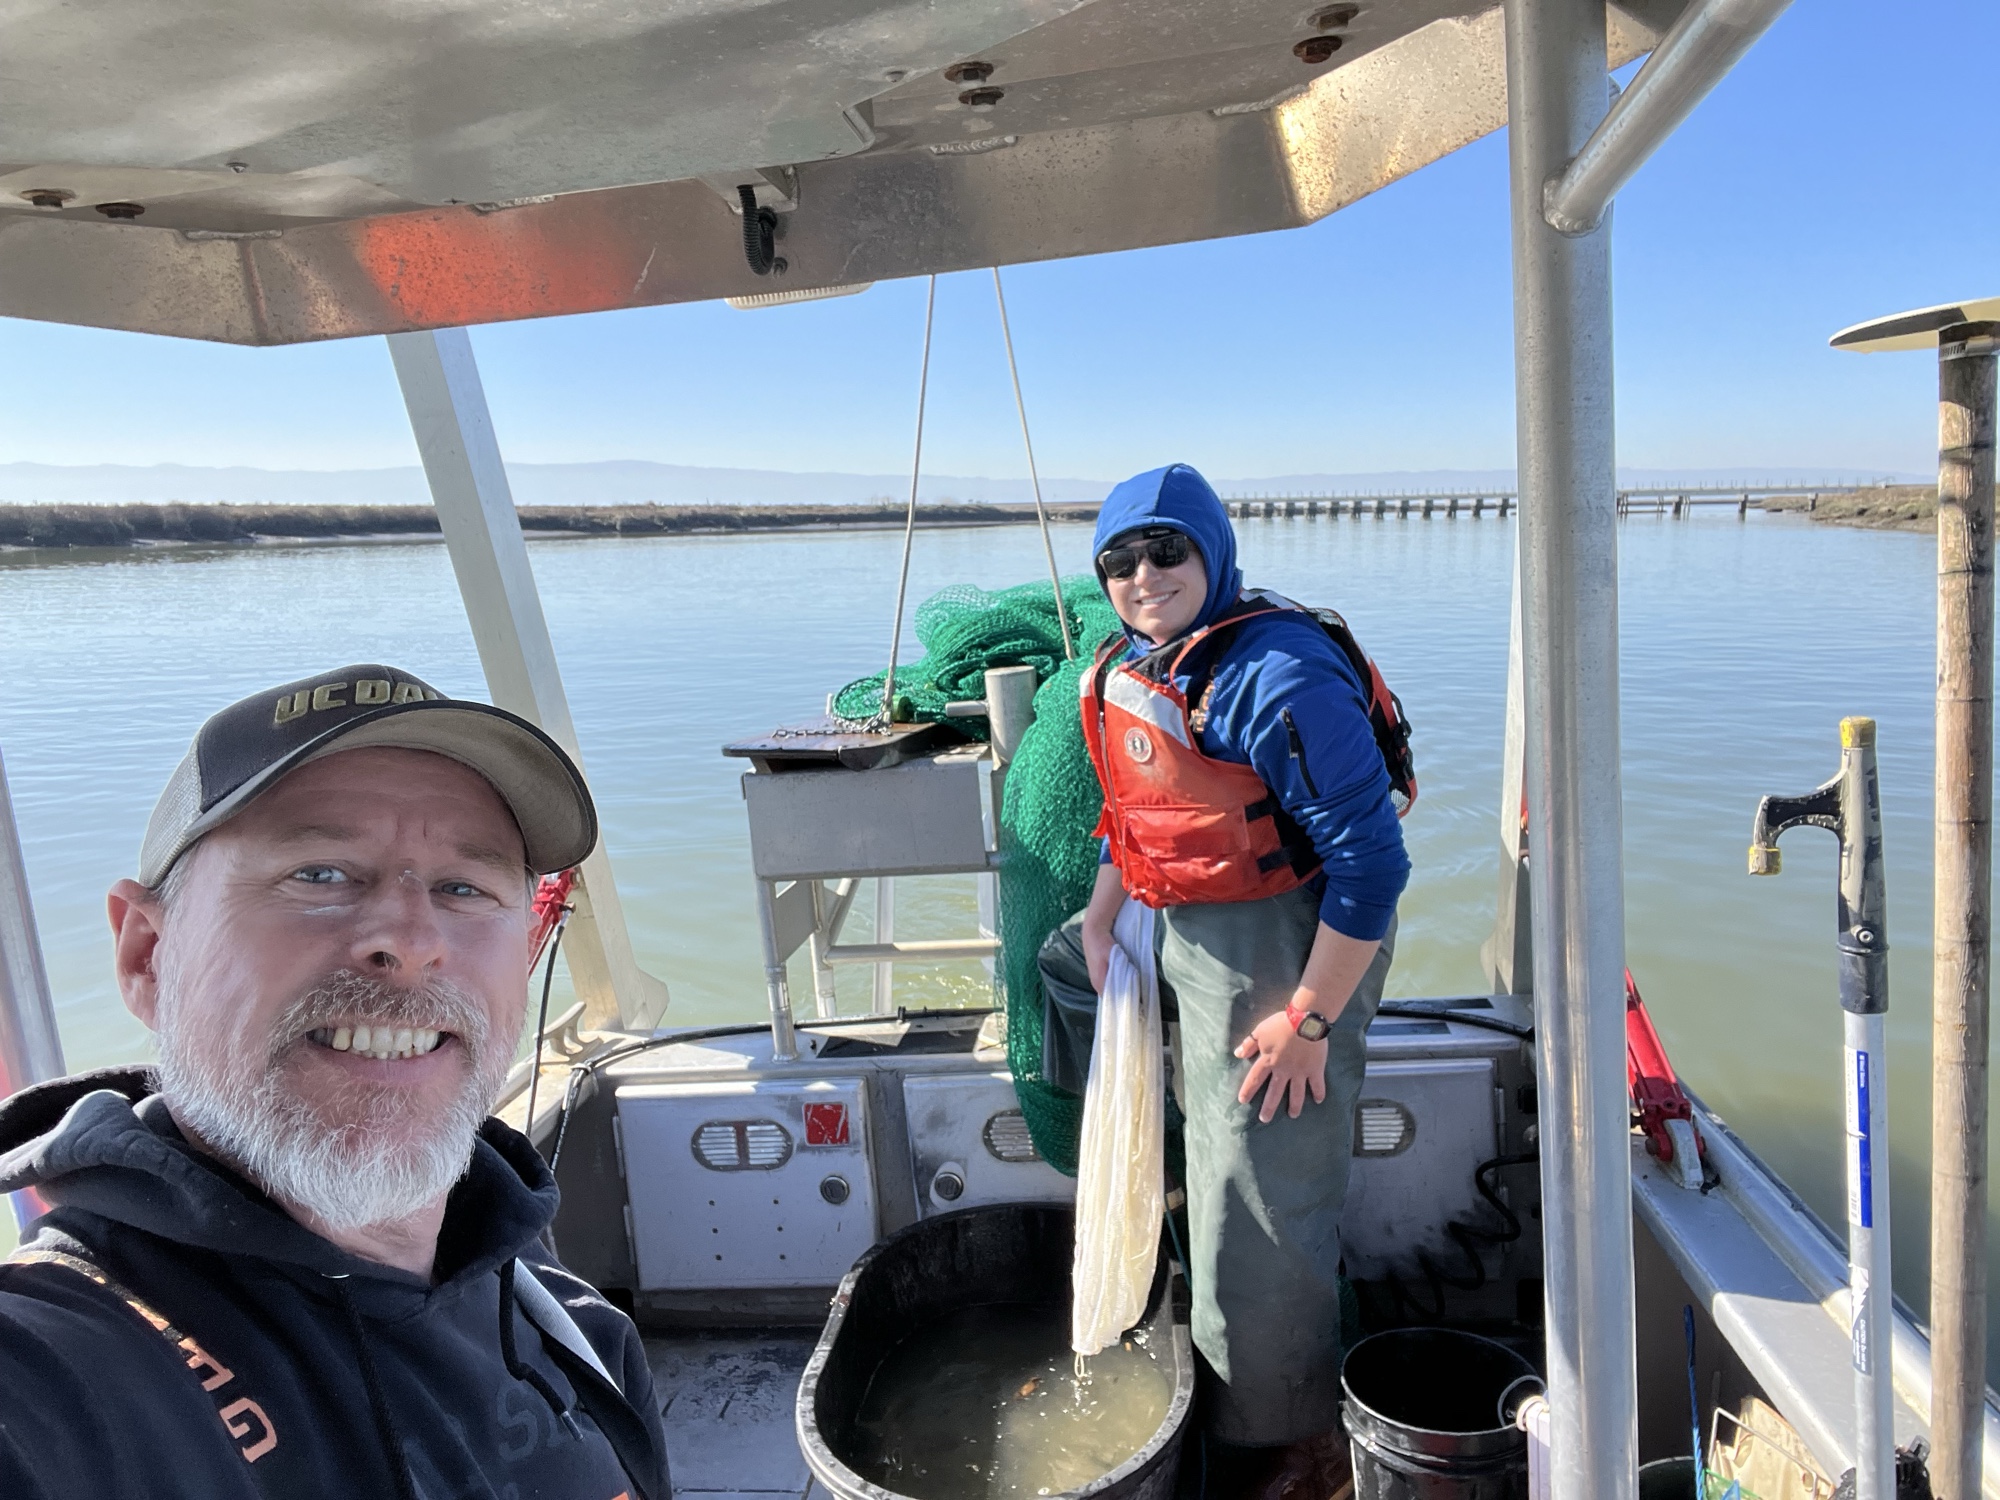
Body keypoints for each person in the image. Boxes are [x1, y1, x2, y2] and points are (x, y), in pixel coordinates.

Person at [0, 665, 670, 1500]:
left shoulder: (567, 1318)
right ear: (147, 955)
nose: (411, 940)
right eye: (319, 873)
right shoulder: (58, 1374)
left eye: (465, 887)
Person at [1039, 466, 1411, 1500]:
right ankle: (1216, 1351)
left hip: (1296, 951)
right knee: (1200, 1160)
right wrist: (1103, 916)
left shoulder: (1278, 675)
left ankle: (1295, 1446)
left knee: (1259, 1200)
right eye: (1119, 561)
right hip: (1189, 936)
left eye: (1168, 551)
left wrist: (1309, 1021)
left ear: (1213, 554)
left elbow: (1372, 867)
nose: (1143, 575)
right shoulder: (1138, 663)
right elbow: (1134, 805)